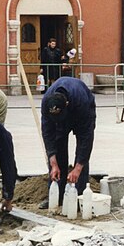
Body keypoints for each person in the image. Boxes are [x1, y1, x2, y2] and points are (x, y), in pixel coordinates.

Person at [40, 76, 96, 207]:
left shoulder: (81, 101)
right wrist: (53, 163)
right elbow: (48, 134)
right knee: (58, 147)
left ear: (66, 104)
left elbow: (86, 139)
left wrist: (77, 168)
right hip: (64, 111)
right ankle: (56, 196)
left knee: (81, 156)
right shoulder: (47, 103)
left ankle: (80, 197)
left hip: (81, 111)